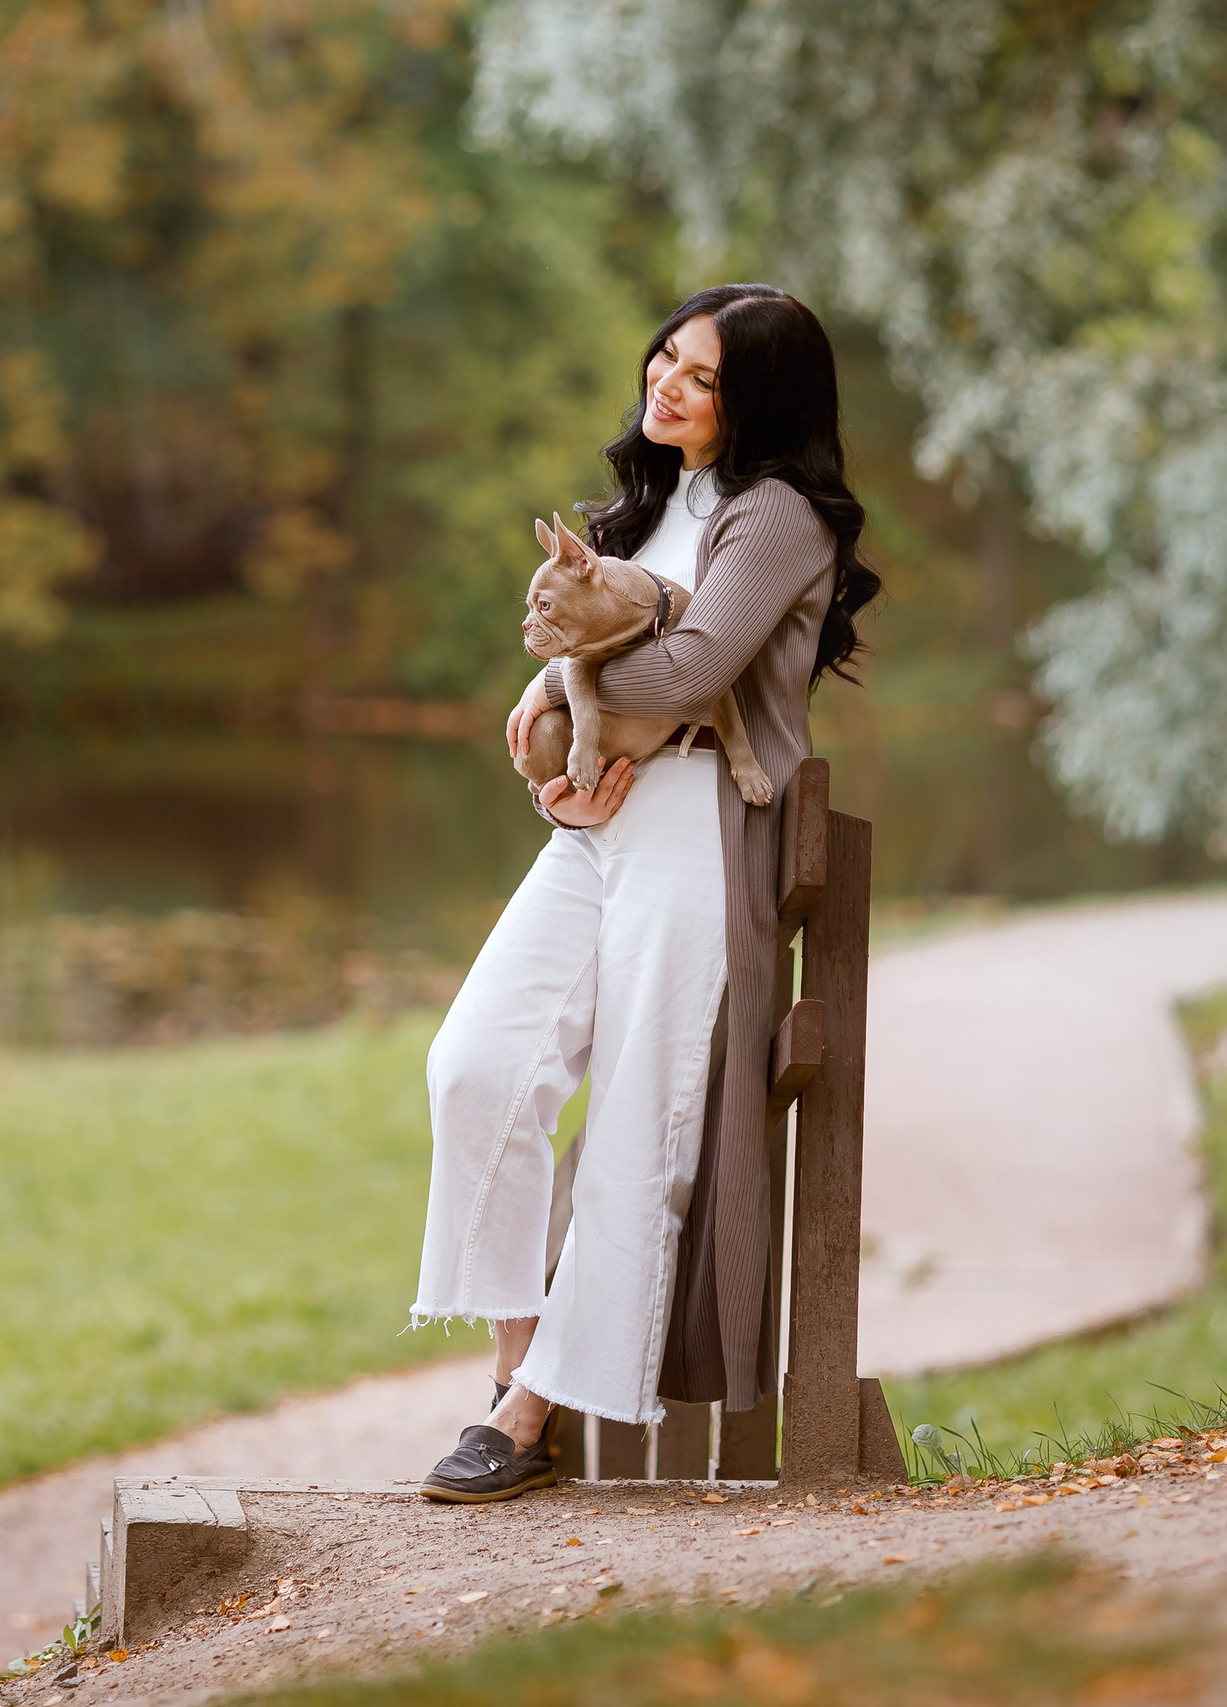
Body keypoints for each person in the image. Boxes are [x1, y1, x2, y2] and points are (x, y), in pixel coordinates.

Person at [411, 284, 882, 1501]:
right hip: (602, 818)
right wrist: (554, 777)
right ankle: (514, 1370)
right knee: (476, 1066)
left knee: (640, 1119)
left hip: (698, 827)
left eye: (702, 377)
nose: (664, 386)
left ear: (758, 401)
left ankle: (528, 1418)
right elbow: (592, 671)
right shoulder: (656, 503)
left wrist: (563, 693)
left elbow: (684, 672)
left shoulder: (778, 517)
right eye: (665, 360)